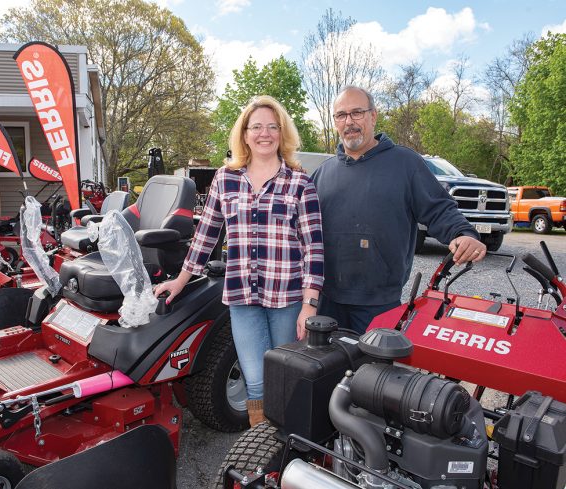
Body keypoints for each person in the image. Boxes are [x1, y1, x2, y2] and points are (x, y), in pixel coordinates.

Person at [154, 95, 324, 427]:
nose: (265, 133)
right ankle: (264, 451)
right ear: (244, 134)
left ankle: (290, 449)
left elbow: (314, 249)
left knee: (286, 377)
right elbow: (205, 236)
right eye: (256, 126)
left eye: (272, 126)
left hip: (287, 300)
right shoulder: (225, 179)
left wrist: (310, 305)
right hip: (242, 299)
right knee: (256, 381)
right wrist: (180, 281)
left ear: (282, 133)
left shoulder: (300, 183)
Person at [311, 85, 486, 335]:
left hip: (379, 303)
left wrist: (463, 233)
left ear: (373, 116)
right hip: (327, 301)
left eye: (357, 113)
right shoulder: (323, 173)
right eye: (341, 115)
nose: (349, 122)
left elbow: (438, 208)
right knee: (324, 371)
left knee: (373, 373)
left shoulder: (405, 163)